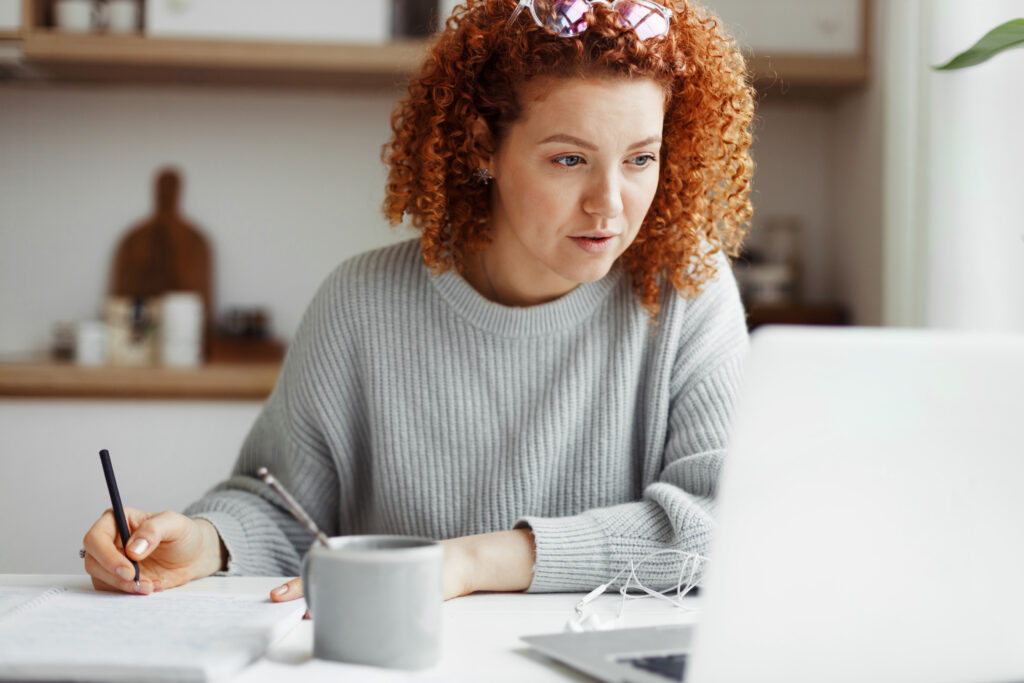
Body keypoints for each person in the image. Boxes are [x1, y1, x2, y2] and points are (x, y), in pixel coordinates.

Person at [82, 0, 754, 604]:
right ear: (485, 146)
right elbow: (281, 505)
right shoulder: (361, 304)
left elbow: (723, 523)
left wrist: (472, 562)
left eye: (641, 159)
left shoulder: (689, 290)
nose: (610, 203)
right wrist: (208, 541)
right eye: (569, 160)